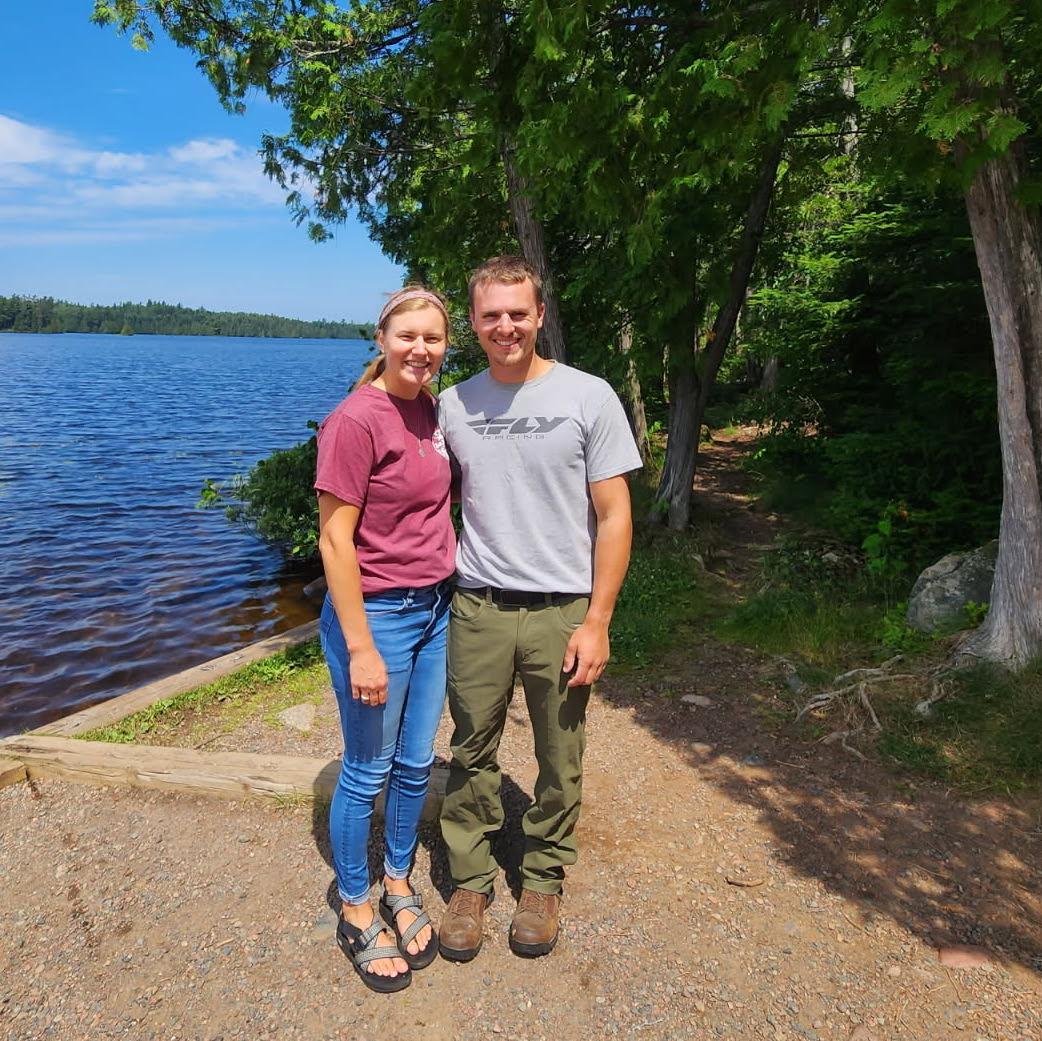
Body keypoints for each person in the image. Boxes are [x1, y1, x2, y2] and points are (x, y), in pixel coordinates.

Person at [436, 256, 642, 960]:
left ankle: (543, 877)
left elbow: (615, 516)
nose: (505, 326)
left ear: (539, 315)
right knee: (470, 750)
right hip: (480, 607)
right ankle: (469, 880)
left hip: (563, 609)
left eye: (517, 313)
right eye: (491, 314)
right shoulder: (454, 404)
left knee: (561, 755)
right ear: (473, 322)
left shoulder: (589, 396)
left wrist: (598, 620)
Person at [314, 286, 455, 993]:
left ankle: (397, 880)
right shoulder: (355, 419)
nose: (420, 349)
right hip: (377, 617)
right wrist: (362, 644)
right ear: (381, 336)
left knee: (415, 762)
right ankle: (356, 903)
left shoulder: (428, 407)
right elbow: (335, 538)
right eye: (408, 336)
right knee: (366, 768)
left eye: (433, 338)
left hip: (434, 611)